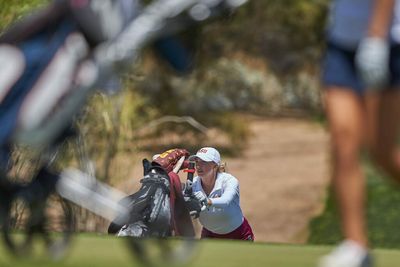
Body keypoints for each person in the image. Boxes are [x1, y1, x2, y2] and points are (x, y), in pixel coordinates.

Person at [319, 0, 400, 266]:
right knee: (343, 142)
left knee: (383, 153)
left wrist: (376, 38)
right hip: (342, 42)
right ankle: (356, 245)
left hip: (389, 42)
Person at [190, 147, 254, 241]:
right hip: (209, 233)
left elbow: (226, 201)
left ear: (215, 166)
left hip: (239, 234)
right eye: (197, 162)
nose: (198, 166)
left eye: (204, 162)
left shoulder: (229, 181)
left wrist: (207, 200)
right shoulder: (193, 183)